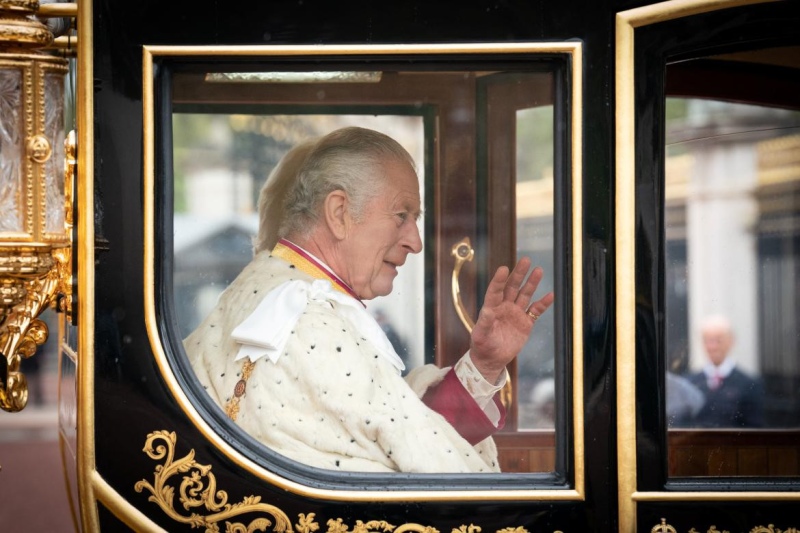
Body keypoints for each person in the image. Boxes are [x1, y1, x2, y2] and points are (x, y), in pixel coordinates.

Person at [186, 127, 554, 473]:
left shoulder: (273, 288)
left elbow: (396, 432)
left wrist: (484, 365)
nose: (416, 241)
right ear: (339, 212)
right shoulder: (307, 319)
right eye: (401, 216)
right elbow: (424, 465)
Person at [687, 315, 764, 428]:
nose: (713, 346)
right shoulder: (689, 382)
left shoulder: (749, 384)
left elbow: (755, 429)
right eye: (708, 340)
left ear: (731, 341)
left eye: (719, 340)